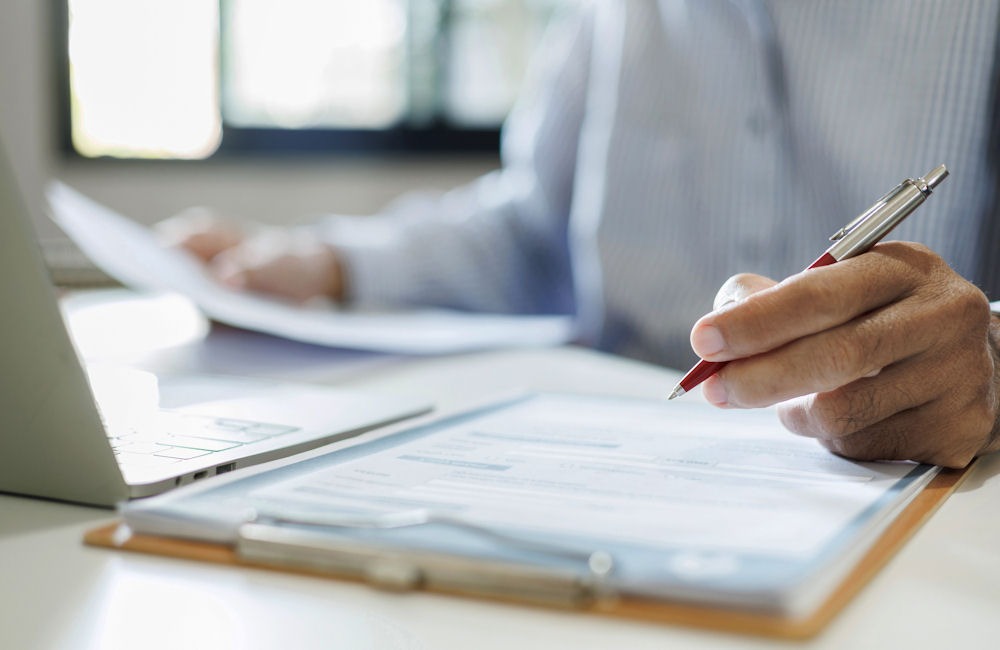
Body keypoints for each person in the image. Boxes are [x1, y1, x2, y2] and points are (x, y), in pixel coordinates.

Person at [158, 1, 1000, 469]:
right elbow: (535, 231)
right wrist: (328, 265)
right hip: (613, 456)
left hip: (916, 507)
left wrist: (991, 364)